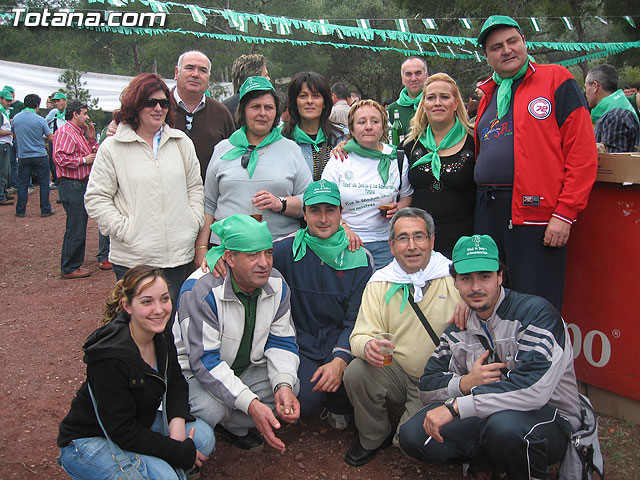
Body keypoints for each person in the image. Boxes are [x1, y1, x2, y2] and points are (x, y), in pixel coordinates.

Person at [398, 234, 582, 480]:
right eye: (466, 278)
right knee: (412, 434)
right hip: (490, 415)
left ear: (500, 277)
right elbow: (428, 385)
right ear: (455, 283)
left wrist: (456, 407)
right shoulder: (458, 327)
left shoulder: (536, 314)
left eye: (484, 276)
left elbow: (534, 389)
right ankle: (485, 459)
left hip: (550, 417)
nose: (475, 287)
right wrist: (464, 384)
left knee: (504, 427)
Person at [474, 15, 597, 311]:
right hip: (488, 211)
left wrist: (565, 213)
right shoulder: (488, 94)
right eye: (496, 47)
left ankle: (539, 358)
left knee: (535, 304)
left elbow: (581, 152)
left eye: (512, 41)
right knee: (493, 302)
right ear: (487, 56)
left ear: (525, 43)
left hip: (535, 215)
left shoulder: (556, 78)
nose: (506, 50)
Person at [57, 265, 215, 480]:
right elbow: (121, 430)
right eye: (147, 302)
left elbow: (176, 382)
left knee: (203, 439)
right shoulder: (110, 356)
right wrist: (176, 452)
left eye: (165, 299)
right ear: (128, 306)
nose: (159, 310)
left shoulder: (159, 332)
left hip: (137, 423)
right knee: (165, 476)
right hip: (90, 439)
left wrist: (176, 431)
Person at [342, 207, 461, 466]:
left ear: (432, 240)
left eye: (419, 236)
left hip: (437, 379)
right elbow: (359, 334)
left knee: (409, 442)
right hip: (397, 372)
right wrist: (368, 346)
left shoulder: (454, 277)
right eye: (403, 238)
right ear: (391, 245)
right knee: (356, 372)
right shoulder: (380, 283)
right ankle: (373, 437)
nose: (412, 246)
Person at [174, 215, 300, 453]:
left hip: (241, 369)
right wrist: (251, 404)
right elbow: (204, 362)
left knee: (289, 388)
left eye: (268, 253)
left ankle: (229, 421)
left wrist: (282, 384)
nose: (264, 263)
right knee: (213, 408)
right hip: (193, 375)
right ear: (229, 257)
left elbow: (281, 341)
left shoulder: (277, 283)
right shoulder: (201, 291)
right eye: (252, 255)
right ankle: (200, 429)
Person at [84, 73, 204, 307]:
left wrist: (192, 222)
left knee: (174, 328)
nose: (159, 108)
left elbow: (195, 188)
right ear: (135, 104)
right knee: (138, 329)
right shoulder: (112, 148)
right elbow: (96, 198)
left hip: (179, 257)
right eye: (151, 102)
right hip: (134, 259)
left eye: (164, 103)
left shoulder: (181, 142)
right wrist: (125, 230)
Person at [274, 180, 373, 428]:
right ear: (304, 214)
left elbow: (358, 319)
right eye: (315, 210)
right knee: (306, 400)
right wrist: (216, 255)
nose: (323, 218)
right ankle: (321, 397)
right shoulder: (287, 249)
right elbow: (248, 254)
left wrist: (340, 358)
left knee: (350, 382)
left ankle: (338, 403)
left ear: (341, 213)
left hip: (340, 342)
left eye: (330, 210)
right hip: (302, 342)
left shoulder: (360, 257)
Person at [194, 76, 312, 267]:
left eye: (269, 107)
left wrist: (280, 203)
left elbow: (308, 201)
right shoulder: (223, 149)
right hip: (228, 252)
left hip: (278, 250)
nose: (262, 113)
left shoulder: (291, 149)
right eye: (255, 107)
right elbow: (209, 203)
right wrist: (201, 248)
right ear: (243, 111)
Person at [322, 99, 413, 269]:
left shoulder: (397, 158)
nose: (369, 126)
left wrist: (399, 207)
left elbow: (407, 195)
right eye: (362, 122)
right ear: (351, 128)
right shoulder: (339, 158)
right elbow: (325, 202)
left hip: (387, 244)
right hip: (346, 243)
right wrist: (344, 229)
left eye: (375, 121)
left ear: (383, 126)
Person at [403, 73, 476, 259]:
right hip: (419, 242)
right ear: (423, 105)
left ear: (456, 103)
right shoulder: (410, 145)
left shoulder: (475, 142)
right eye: (431, 97)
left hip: (463, 242)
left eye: (444, 97)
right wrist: (347, 146)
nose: (437, 103)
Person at [53, 101, 106, 280]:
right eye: (84, 113)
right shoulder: (65, 132)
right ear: (75, 114)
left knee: (78, 224)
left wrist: (91, 140)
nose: (87, 117)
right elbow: (60, 158)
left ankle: (73, 264)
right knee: (75, 226)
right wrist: (83, 161)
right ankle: (70, 267)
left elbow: (92, 154)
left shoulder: (78, 133)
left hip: (79, 184)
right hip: (71, 184)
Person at [172, 50, 235, 180]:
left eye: (202, 70)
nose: (195, 75)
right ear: (176, 72)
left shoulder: (221, 114)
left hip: (207, 195)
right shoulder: (158, 108)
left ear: (208, 78)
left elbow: (231, 159)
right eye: (190, 68)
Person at [281, 72, 347, 180]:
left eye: (316, 96)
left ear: (325, 102)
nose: (310, 101)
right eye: (303, 96)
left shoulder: (342, 137)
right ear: (295, 103)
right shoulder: (282, 139)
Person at [10, 93, 55, 218]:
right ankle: (45, 209)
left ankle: (20, 210)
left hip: (23, 155)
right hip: (39, 154)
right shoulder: (40, 120)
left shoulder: (16, 118)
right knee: (44, 183)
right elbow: (50, 137)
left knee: (23, 184)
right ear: (37, 105)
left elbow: (14, 135)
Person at [584, 64, 640, 153]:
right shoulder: (618, 108)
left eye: (585, 87)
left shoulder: (616, 116)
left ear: (595, 86)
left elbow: (613, 162)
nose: (586, 93)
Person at [223, 53, 269, 126]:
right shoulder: (268, 109)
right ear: (254, 79)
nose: (269, 79)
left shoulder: (222, 108)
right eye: (266, 76)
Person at [387, 56, 429, 137]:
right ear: (403, 79)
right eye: (408, 74)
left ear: (426, 76)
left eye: (418, 73)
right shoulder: (392, 109)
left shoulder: (435, 105)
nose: (413, 78)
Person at [0, 89, 14, 206]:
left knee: (6, 171)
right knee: (2, 171)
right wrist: (11, 132)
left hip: (5, 145)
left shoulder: (3, 111)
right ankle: (1, 196)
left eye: (10, 101)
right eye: (7, 100)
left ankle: (3, 192)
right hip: (2, 145)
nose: (9, 103)